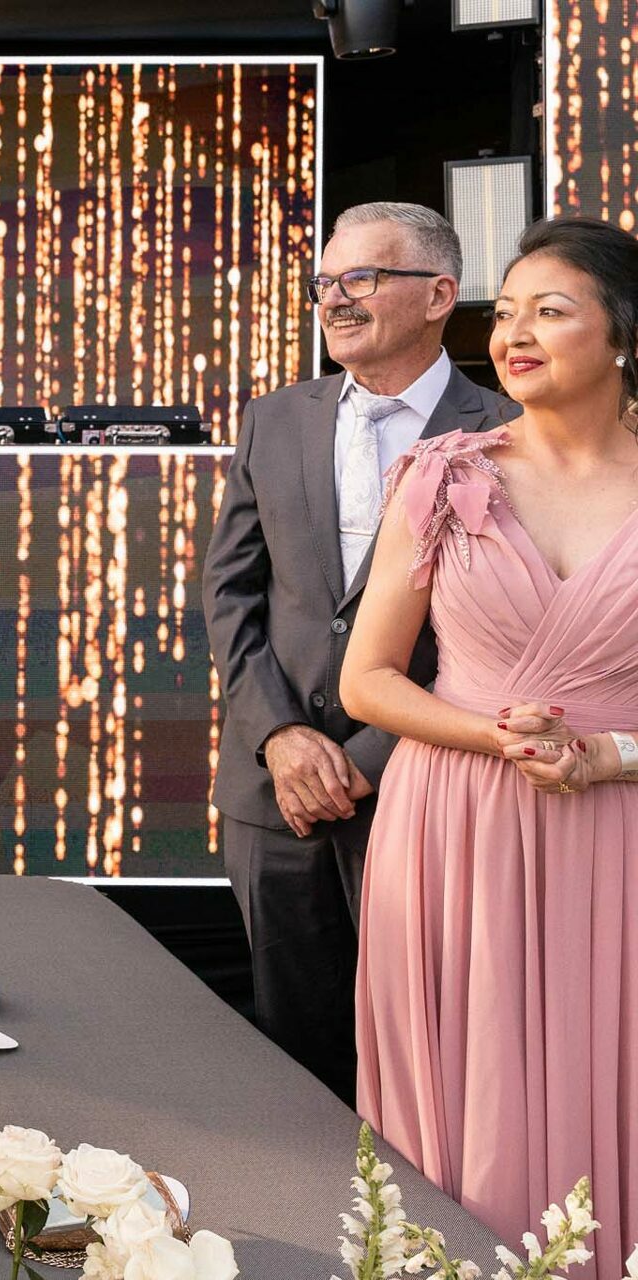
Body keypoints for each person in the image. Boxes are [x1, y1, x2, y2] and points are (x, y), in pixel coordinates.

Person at [341, 216, 638, 1278]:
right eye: (504, 313)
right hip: (450, 832)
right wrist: (493, 736)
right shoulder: (439, 474)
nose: (512, 334)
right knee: (465, 1108)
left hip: (617, 834)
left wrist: (608, 755)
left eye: (549, 311)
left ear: (624, 335)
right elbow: (368, 679)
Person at [202, 202, 517, 1102]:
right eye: (324, 282)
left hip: (422, 780)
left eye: (362, 278)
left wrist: (365, 756)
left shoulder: (506, 431)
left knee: (428, 1054)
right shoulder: (274, 419)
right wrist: (280, 738)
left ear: (440, 295)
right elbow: (230, 594)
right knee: (294, 1060)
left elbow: (497, 629)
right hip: (273, 793)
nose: (335, 299)